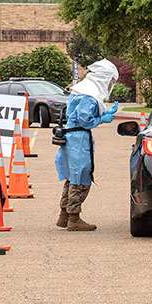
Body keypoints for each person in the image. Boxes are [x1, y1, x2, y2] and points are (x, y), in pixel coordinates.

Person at [54, 59, 119, 231]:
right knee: (81, 175)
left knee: (72, 174)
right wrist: (101, 119)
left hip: (71, 135)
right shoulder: (89, 94)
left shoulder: (81, 89)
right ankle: (74, 218)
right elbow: (85, 119)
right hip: (79, 138)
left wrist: (103, 113)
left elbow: (79, 114)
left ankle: (64, 215)